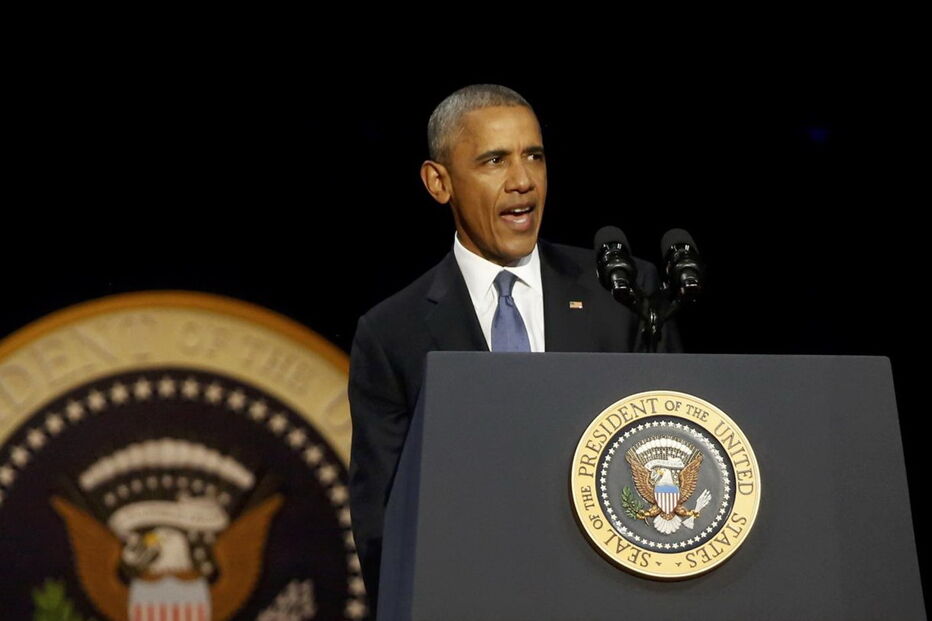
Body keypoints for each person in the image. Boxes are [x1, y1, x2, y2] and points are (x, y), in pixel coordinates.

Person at [347, 84, 680, 609]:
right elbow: (382, 523)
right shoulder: (394, 334)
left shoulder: (622, 295)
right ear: (439, 183)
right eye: (494, 160)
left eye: (534, 156)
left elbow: (675, 443)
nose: (522, 181)